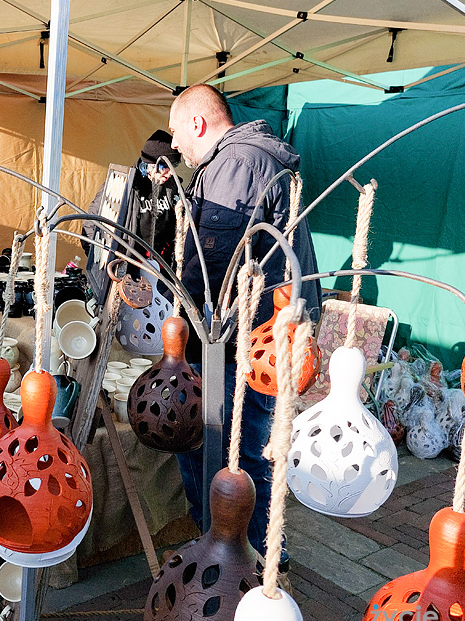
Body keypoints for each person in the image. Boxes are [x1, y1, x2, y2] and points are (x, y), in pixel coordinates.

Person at [167, 84, 319, 561]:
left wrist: (175, 326)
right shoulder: (243, 159)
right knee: (242, 443)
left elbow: (211, 268)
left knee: (229, 443)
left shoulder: (236, 164)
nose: (173, 145)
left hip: (251, 337)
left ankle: (242, 553)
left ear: (197, 123)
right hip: (260, 332)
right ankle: (244, 547)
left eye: (175, 133)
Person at [82, 129, 183, 269]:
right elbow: (91, 225)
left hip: (160, 267)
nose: (171, 172)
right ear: (152, 164)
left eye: (175, 166)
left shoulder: (173, 188)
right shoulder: (122, 185)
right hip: (126, 265)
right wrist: (103, 266)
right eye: (167, 167)